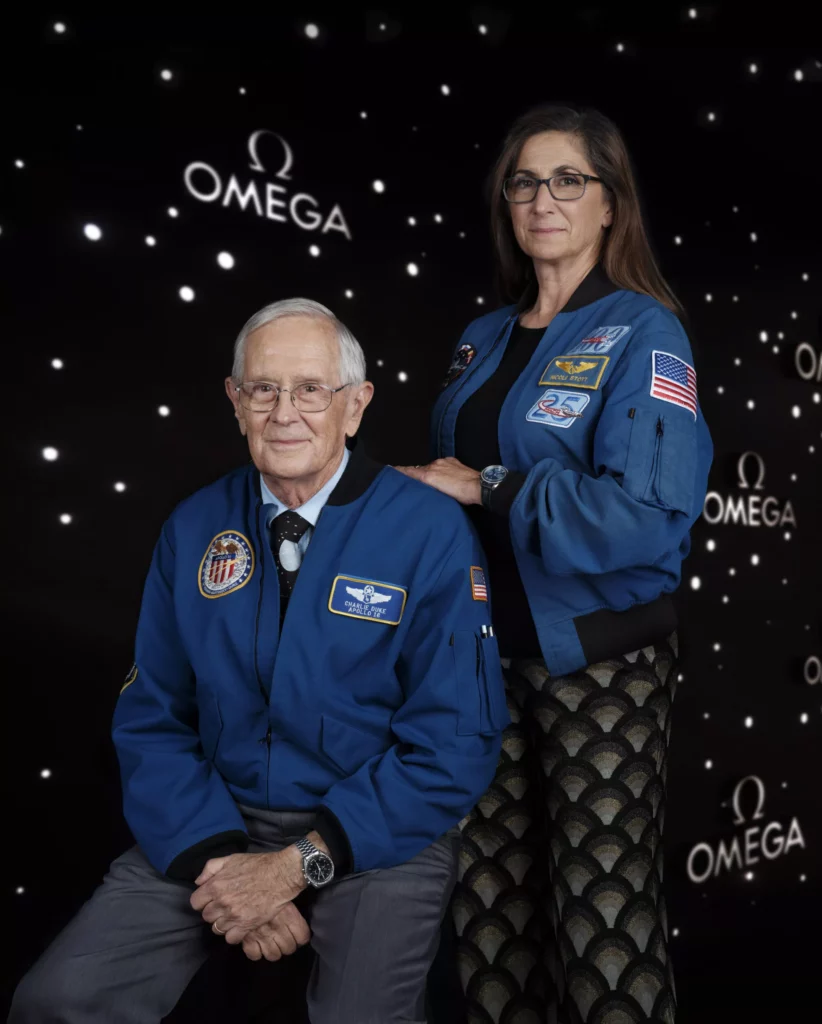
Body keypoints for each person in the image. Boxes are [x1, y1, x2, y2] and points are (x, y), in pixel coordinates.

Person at [10, 298, 508, 1024]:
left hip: (380, 830)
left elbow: (454, 742)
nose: (284, 412)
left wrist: (293, 866)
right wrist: (221, 867)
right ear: (235, 402)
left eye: (310, 389)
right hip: (215, 815)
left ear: (355, 406)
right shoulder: (193, 527)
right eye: (262, 389)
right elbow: (153, 720)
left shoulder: (428, 531)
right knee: (58, 1001)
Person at [397, 104, 713, 1023]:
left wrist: (491, 484)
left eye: (568, 180)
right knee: (491, 917)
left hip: (600, 666)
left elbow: (648, 520)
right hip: (478, 665)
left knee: (600, 924)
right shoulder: (481, 338)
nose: (543, 199)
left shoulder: (645, 332)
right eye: (525, 181)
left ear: (610, 204)